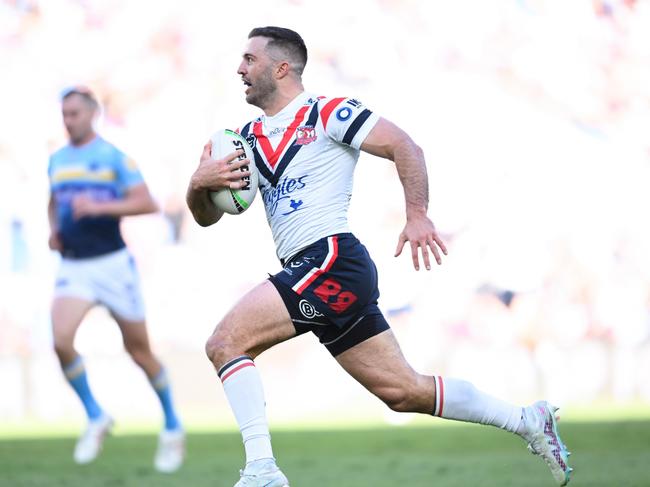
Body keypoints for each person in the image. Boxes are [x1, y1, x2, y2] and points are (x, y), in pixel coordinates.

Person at [186, 27, 572, 487]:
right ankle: (527, 419)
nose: (240, 69)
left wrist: (417, 215)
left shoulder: (328, 112)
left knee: (225, 343)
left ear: (282, 67)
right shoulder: (245, 139)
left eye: (250, 59)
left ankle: (262, 472)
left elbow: (404, 146)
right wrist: (199, 183)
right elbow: (207, 218)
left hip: (330, 258)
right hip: (315, 269)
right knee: (403, 391)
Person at [48, 86, 184, 472]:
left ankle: (173, 424)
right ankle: (96, 415)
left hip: (112, 265)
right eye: (65, 114)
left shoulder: (113, 158)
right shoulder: (57, 160)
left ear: (93, 114)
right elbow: (53, 201)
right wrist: (54, 229)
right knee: (59, 340)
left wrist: (101, 206)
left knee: (139, 350)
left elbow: (147, 203)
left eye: (75, 113)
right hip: (74, 265)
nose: (69, 120)